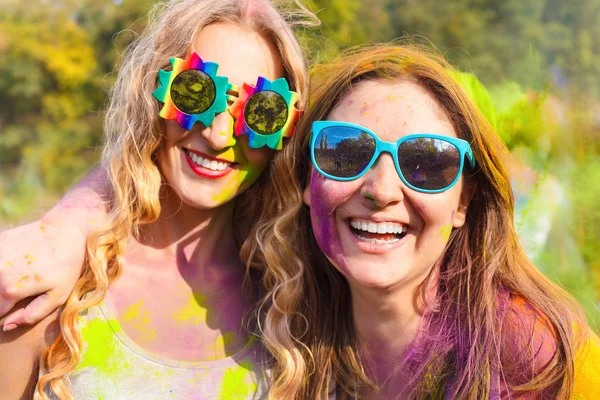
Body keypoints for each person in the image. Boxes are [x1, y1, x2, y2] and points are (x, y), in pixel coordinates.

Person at [248, 45, 600, 399]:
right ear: (306, 177)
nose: (381, 190)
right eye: (345, 153)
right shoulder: (276, 335)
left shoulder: (543, 362)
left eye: (427, 163)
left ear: (463, 201)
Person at [0, 0, 311, 398]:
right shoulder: (53, 283)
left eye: (261, 112)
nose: (218, 136)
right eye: (196, 92)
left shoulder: (296, 299)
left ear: (285, 133)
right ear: (153, 93)